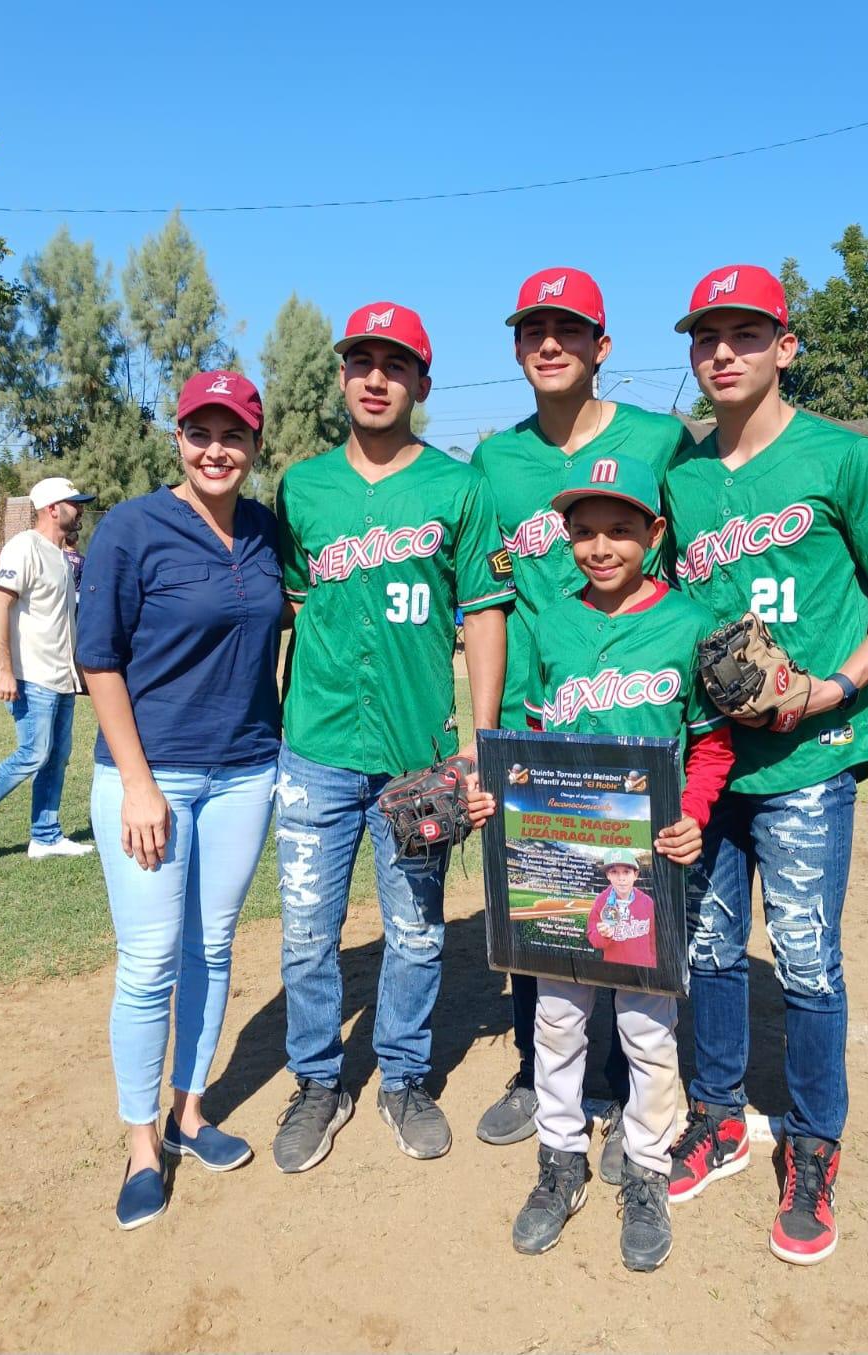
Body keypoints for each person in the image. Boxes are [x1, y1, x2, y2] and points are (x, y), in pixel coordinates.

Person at [663, 264, 868, 1265]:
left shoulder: (844, 457)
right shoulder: (682, 476)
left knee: (809, 958)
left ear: (785, 347)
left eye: (746, 333)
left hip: (811, 755)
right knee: (709, 948)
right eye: (707, 336)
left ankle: (815, 1146)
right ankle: (719, 1117)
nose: (723, 352)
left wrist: (840, 682)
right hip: (711, 758)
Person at [272, 302, 513, 1171]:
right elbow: (295, 604)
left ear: (422, 383)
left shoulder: (458, 487)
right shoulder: (301, 487)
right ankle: (317, 1080)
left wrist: (481, 739)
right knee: (307, 932)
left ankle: (404, 1077)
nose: (376, 378)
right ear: (342, 376)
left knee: (415, 931)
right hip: (315, 747)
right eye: (361, 362)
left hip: (417, 756)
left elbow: (484, 615)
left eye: (396, 364)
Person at [471, 267, 693, 1178]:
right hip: (542, 712)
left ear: (603, 347)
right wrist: (480, 729)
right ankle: (542, 1078)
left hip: (637, 711)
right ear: (518, 346)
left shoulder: (661, 439)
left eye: (569, 329)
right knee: (547, 902)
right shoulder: (495, 460)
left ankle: (628, 1094)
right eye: (534, 329)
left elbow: (698, 552)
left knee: (635, 907)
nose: (550, 343)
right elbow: (485, 594)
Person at [495, 454, 732, 1271]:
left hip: (647, 860)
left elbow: (712, 745)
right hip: (562, 856)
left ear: (654, 533)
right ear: (566, 537)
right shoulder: (550, 622)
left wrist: (693, 814)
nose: (601, 546)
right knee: (557, 1019)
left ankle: (647, 1165)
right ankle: (560, 1158)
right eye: (585, 531)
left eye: (621, 529)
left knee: (646, 1026)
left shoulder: (690, 621)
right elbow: (529, 739)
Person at [76, 370, 283, 1231]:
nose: (215, 450)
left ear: (255, 444)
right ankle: (140, 1146)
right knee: (149, 960)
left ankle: (187, 1114)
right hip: (150, 778)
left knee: (212, 946)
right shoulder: (131, 528)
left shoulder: (267, 529)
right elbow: (98, 658)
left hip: (245, 771)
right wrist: (137, 782)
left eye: (233, 434)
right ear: (178, 439)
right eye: (201, 432)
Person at [0, 478, 97, 869]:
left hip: (60, 676)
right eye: (74, 503)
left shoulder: (61, 557)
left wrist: (78, 674)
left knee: (56, 757)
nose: (80, 510)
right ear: (52, 508)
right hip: (31, 674)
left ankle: (45, 836)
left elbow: (63, 624)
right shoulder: (24, 546)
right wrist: (5, 670)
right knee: (33, 752)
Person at [588, 849, 658, 969]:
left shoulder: (647, 902)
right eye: (614, 872)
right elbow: (594, 939)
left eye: (626, 872)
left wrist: (652, 965)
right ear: (608, 875)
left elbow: (653, 939)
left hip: (644, 969)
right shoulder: (601, 901)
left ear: (635, 875)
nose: (621, 878)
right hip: (615, 970)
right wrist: (603, 935)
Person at [62, 530, 85, 598]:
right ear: (77, 542)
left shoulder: (60, 555)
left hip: (62, 592)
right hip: (75, 594)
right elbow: (83, 577)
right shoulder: (81, 559)